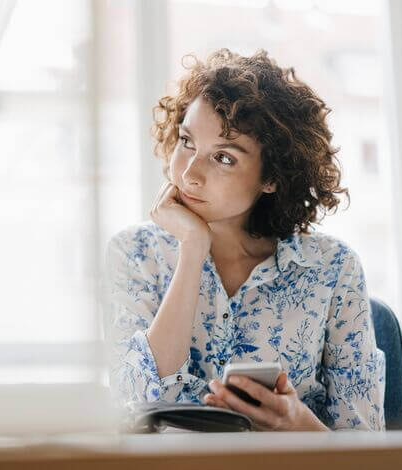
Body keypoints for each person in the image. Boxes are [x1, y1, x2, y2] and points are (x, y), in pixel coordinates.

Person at [104, 49, 385, 431]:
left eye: (224, 158)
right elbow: (138, 408)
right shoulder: (134, 254)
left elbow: (369, 451)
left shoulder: (333, 269)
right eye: (187, 142)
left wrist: (298, 425)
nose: (189, 174)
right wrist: (192, 249)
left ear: (271, 178)